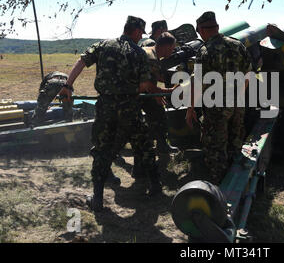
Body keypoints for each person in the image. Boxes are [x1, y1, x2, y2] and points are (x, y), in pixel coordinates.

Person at [59, 16, 171, 211]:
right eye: (140, 34)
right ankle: (155, 187)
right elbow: (145, 85)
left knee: (102, 149)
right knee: (144, 145)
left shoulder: (103, 45)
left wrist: (68, 85)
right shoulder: (139, 53)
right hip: (131, 107)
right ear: (136, 32)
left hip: (106, 107)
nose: (140, 37)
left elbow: (81, 62)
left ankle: (98, 198)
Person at [185, 11, 252, 184]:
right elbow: (248, 75)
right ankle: (237, 180)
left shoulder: (205, 51)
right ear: (217, 27)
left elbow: (198, 84)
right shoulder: (238, 45)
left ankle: (219, 185)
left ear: (201, 29)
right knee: (235, 142)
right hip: (237, 103)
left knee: (216, 146)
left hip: (216, 106)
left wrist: (190, 109)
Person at [131, 32, 180, 180]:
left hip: (143, 92)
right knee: (139, 132)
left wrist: (158, 94)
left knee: (158, 112)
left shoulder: (152, 52)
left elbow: (154, 79)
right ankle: (139, 168)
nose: (172, 52)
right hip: (133, 95)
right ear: (166, 46)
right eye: (172, 48)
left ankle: (162, 144)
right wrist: (168, 91)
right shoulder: (151, 57)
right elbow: (149, 86)